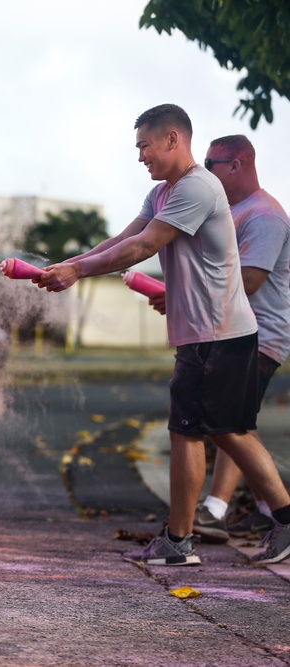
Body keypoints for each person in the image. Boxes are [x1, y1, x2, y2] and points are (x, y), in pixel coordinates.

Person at [36, 104, 290, 566]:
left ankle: (179, 541)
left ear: (172, 139)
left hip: (217, 335)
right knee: (226, 433)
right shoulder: (163, 194)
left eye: (144, 146)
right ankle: (261, 526)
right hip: (207, 335)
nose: (140, 157)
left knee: (192, 432)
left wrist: (77, 270)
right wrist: (71, 266)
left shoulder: (196, 187)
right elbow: (123, 239)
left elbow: (143, 247)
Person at [148, 135, 290, 544]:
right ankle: (263, 512)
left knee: (228, 426)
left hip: (257, 333)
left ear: (239, 163)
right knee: (231, 425)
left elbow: (249, 280)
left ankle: (219, 512)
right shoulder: (225, 206)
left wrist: (175, 292)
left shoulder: (264, 215)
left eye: (212, 162)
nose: (204, 168)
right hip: (225, 329)